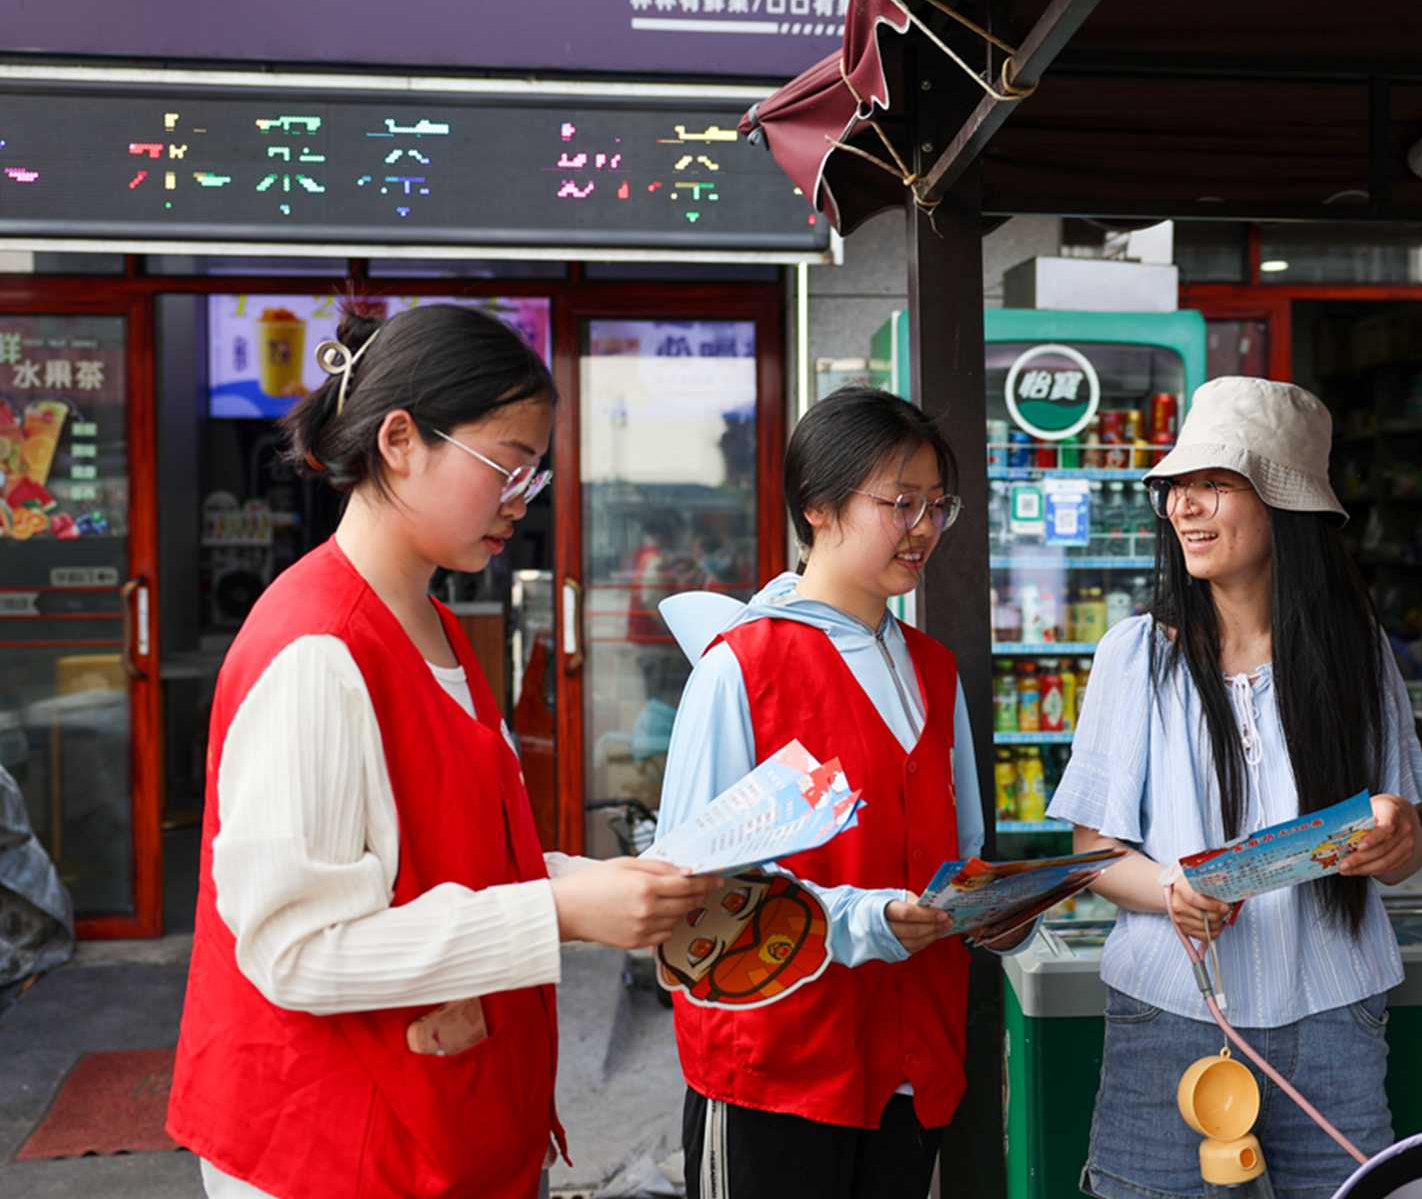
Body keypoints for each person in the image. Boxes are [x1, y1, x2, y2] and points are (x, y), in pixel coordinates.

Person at [166, 303, 717, 1199]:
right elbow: (297, 949)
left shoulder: (436, 626)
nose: (518, 501)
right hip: (333, 1142)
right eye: (507, 465)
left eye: (532, 479)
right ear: (398, 440)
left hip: (440, 1115)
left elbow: (454, 858)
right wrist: (564, 912)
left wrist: (600, 884)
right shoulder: (318, 651)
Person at [1047, 377, 1422, 1199]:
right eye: (1176, 488)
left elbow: (1405, 846)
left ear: (1285, 506)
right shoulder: (1136, 655)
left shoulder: (1357, 653)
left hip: (1335, 1015)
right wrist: (1171, 887)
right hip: (1169, 1017)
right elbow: (1094, 854)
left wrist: (1399, 842)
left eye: (1213, 485)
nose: (1185, 507)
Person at [658, 386, 1034, 1199]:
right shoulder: (740, 668)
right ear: (817, 507)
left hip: (909, 1065)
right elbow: (686, 897)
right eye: (901, 503)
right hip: (776, 1070)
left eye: (939, 504)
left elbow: (959, 854)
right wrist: (868, 921)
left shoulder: (933, 671)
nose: (926, 527)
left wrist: (993, 908)